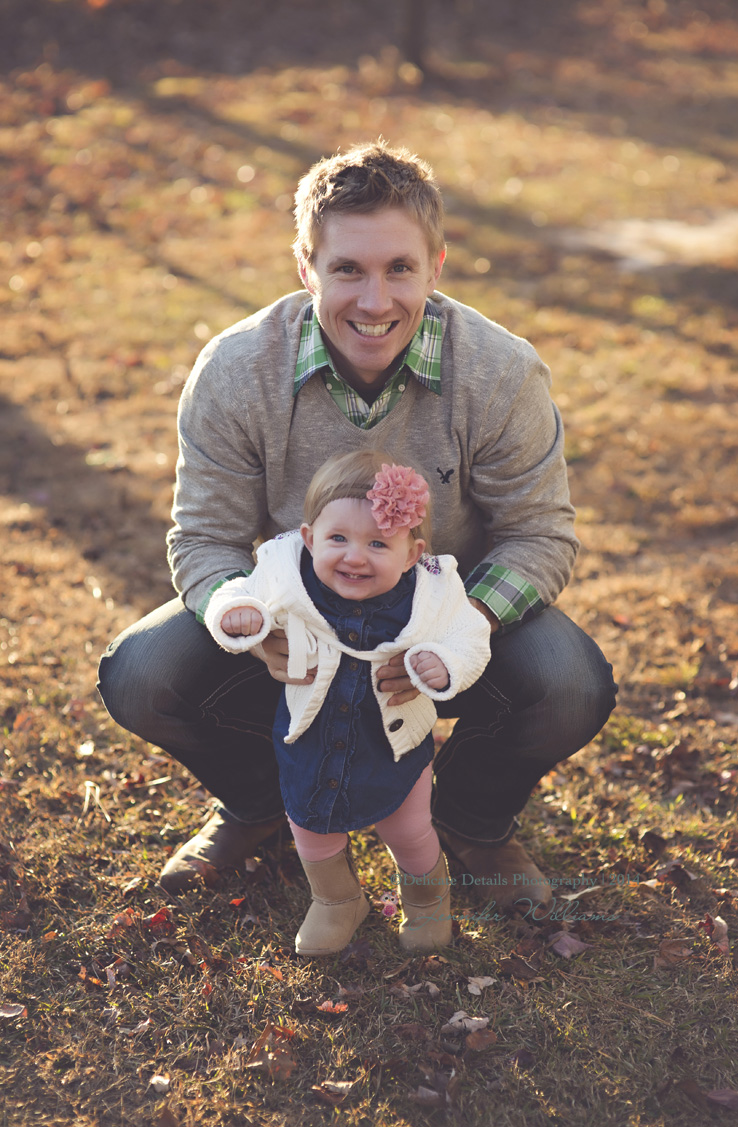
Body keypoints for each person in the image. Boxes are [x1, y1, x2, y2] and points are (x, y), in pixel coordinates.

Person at [97, 140, 617, 909]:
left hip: (451, 610)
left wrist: (460, 625)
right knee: (140, 673)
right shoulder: (237, 370)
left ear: (436, 265)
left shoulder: (501, 372)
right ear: (307, 266)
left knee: (572, 683)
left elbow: (541, 534)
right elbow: (203, 539)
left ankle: (468, 817)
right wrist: (242, 619)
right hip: (297, 616)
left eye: (399, 268)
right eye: (348, 270)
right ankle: (261, 806)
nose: (375, 301)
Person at [203, 451, 491, 954]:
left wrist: (444, 662)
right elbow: (238, 591)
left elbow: (470, 636)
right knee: (311, 825)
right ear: (310, 538)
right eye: (338, 539)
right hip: (310, 736)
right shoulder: (285, 570)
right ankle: (336, 900)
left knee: (408, 828)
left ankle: (427, 904)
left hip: (393, 741)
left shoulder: (434, 589)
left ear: (410, 554)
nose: (354, 557)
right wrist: (238, 615)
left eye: (378, 543)